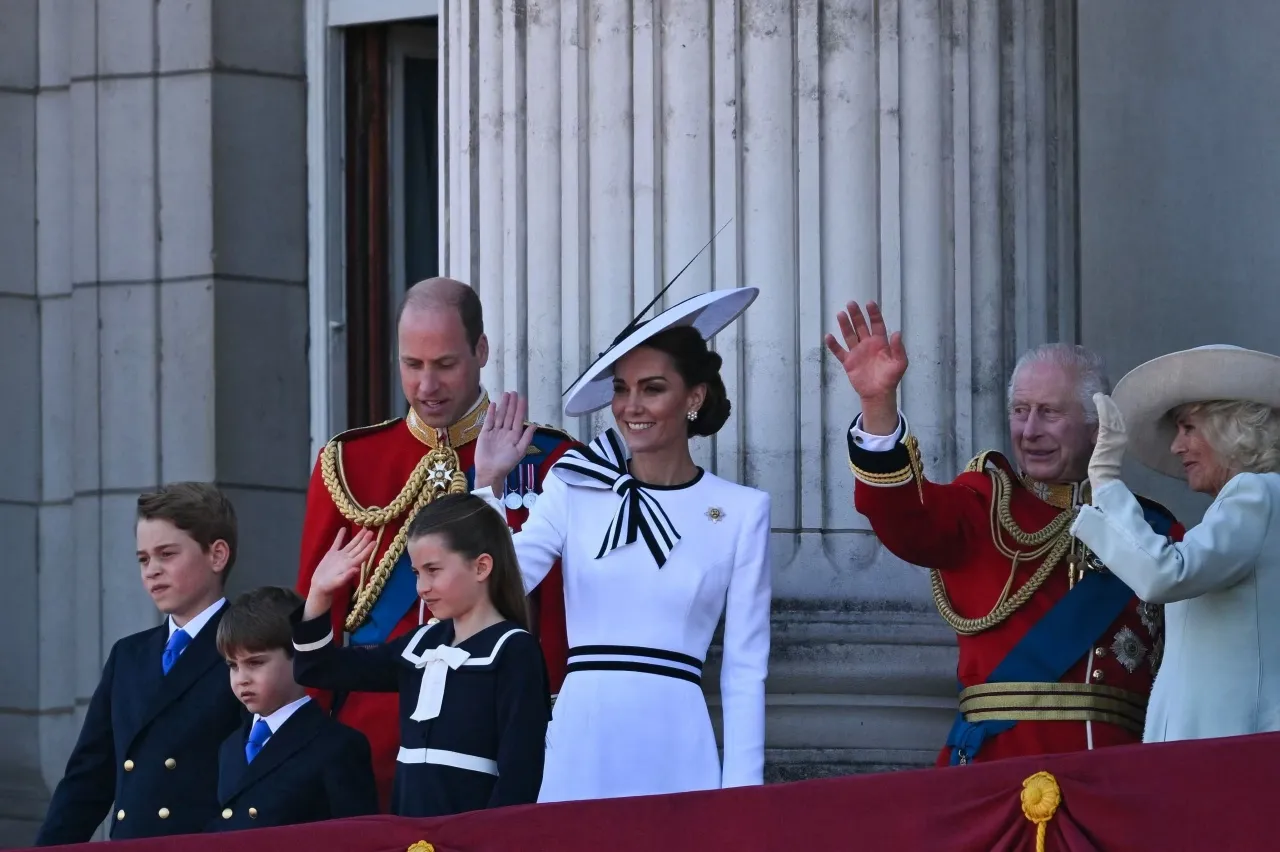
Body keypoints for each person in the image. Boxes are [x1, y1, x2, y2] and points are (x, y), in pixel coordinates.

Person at [825, 301, 1186, 766]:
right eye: (1020, 411)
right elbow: (902, 517)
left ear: (1098, 426)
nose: (1029, 430)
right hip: (999, 773)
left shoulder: (1155, 531)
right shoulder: (985, 504)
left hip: (1120, 777)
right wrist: (878, 406)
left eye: (1049, 412)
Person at [472, 286, 772, 802]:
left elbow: (745, 670)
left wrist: (743, 798)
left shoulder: (743, 511)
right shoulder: (573, 485)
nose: (631, 406)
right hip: (582, 737)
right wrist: (487, 485)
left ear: (694, 398)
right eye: (621, 388)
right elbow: (496, 586)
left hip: (678, 744)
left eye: (652, 388)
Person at [295, 277, 578, 808]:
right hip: (365, 736)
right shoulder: (351, 462)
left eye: (445, 364)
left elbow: (559, 623)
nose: (427, 385)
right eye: (412, 364)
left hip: (488, 738)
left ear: (481, 351)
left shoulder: (549, 462)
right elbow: (319, 607)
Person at [292, 493, 550, 817]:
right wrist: (319, 593)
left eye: (433, 570)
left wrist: (486, 838)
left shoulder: (513, 651)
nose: (422, 587)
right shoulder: (419, 645)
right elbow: (317, 669)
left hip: (473, 834)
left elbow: (520, 776)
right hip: (411, 833)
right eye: (416, 573)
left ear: (481, 567)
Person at [1073, 344, 1280, 742]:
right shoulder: (1253, 503)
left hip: (1234, 746)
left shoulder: (1255, 494)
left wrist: (1107, 483)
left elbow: (1164, 574)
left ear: (1231, 429)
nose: (1176, 446)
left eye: (1188, 428)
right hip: (1219, 744)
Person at [36, 483, 245, 845]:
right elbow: (88, 778)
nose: (152, 570)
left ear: (217, 555)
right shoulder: (128, 656)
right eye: (143, 559)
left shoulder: (246, 649)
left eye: (167, 554)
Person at [207, 586, 377, 832]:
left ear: (299, 657)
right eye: (233, 666)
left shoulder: (337, 745)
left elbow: (356, 837)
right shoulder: (230, 746)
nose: (241, 679)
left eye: (255, 663)